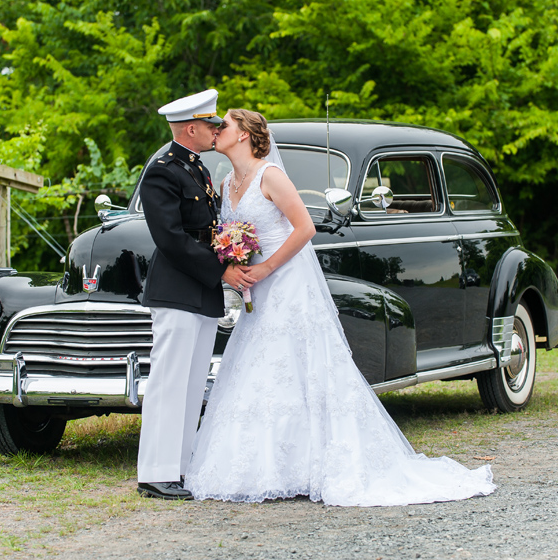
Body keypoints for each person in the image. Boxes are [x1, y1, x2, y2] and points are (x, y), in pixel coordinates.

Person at [183, 109, 496, 506]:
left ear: (244, 135)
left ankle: (319, 463)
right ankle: (273, 465)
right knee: (260, 369)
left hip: (287, 283)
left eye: (224, 124)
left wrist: (265, 267)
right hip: (256, 291)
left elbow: (305, 228)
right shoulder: (227, 183)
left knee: (300, 364)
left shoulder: (271, 176)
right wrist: (233, 262)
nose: (217, 130)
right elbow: (232, 234)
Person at [137, 91, 255, 500]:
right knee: (169, 381)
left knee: (191, 384)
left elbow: (209, 229)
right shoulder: (163, 171)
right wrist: (222, 267)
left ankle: (181, 467)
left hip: (201, 289)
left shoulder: (198, 169)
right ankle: (155, 472)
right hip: (176, 289)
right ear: (191, 128)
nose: (217, 130)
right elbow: (170, 239)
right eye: (211, 125)